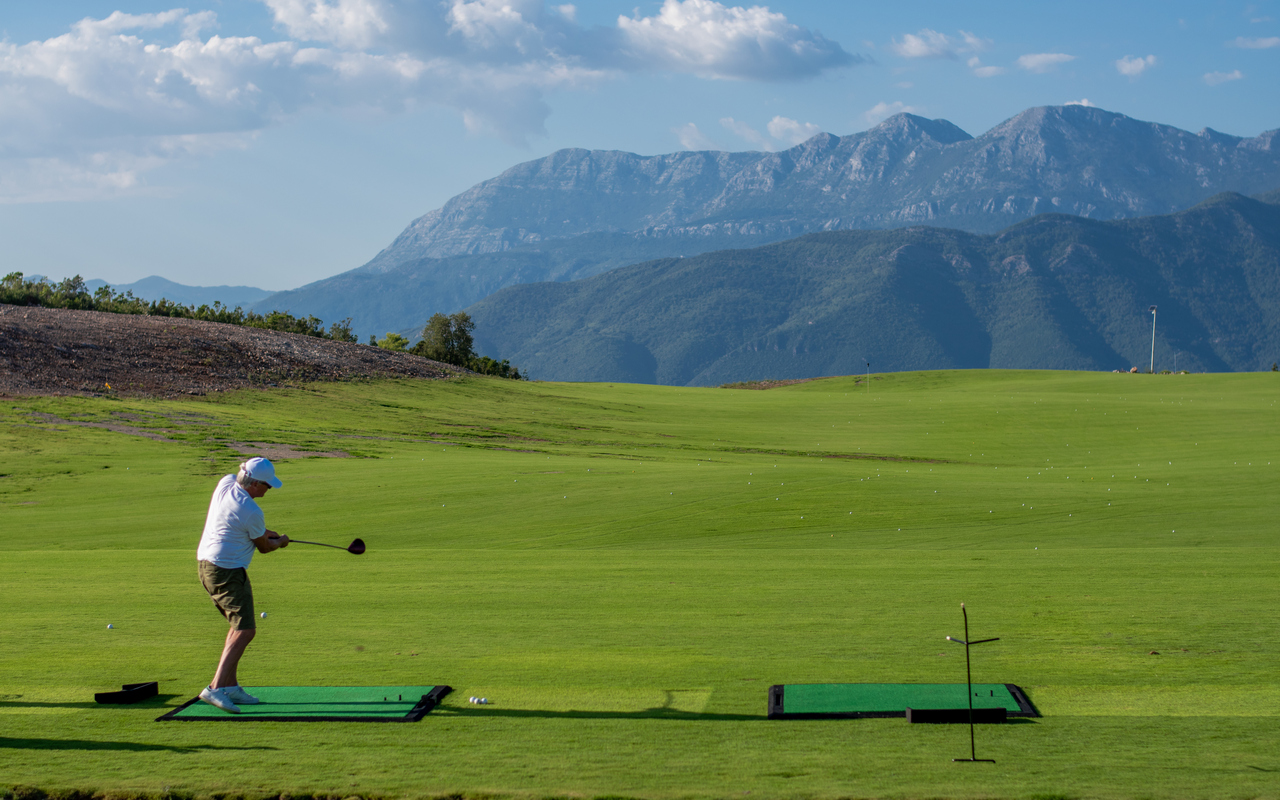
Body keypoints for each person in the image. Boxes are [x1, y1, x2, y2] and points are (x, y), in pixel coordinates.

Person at [195, 457, 290, 712]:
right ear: (255, 483)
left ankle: (230, 686)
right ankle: (214, 688)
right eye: (266, 486)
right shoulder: (251, 510)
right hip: (226, 571)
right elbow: (263, 548)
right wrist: (280, 541)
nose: (267, 491)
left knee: (237, 627)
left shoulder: (225, 483)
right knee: (246, 631)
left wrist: (267, 532)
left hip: (209, 567)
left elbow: (249, 528)